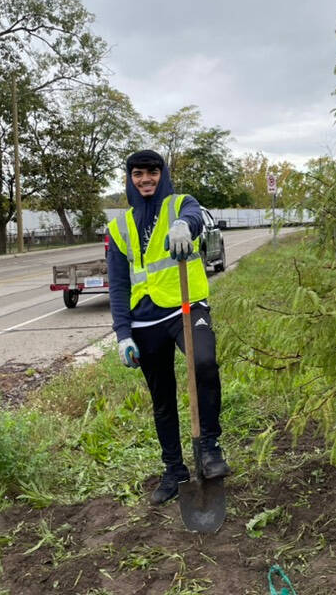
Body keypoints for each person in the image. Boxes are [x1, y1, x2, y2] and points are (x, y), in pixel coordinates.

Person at [106, 149, 230, 504]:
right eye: (138, 174)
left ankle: (209, 448)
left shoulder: (180, 204)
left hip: (186, 307)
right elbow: (117, 284)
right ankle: (174, 469)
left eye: (152, 173)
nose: (145, 180)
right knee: (162, 399)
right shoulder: (119, 228)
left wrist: (183, 227)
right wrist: (123, 334)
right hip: (145, 320)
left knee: (203, 363)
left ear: (163, 174)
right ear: (130, 178)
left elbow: (194, 215)